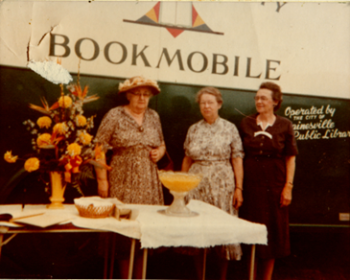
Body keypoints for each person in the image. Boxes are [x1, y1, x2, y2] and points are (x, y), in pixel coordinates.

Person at [94, 76, 166, 279]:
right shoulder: (115, 115)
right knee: (124, 233)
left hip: (149, 182)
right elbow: (99, 148)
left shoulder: (154, 116)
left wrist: (159, 152)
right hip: (122, 180)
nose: (142, 98)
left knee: (145, 232)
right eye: (137, 94)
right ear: (128, 95)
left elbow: (162, 143)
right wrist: (102, 180)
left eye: (146, 94)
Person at [181, 87, 244, 280]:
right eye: (203, 103)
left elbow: (237, 158)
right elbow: (187, 158)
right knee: (198, 231)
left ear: (219, 104)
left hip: (222, 186)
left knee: (222, 231)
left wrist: (239, 189)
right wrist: (181, 186)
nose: (206, 106)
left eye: (210, 102)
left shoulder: (229, 128)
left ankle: (221, 277)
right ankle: (201, 276)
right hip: (196, 186)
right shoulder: (194, 128)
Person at [239, 82, 298, 280]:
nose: (259, 101)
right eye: (257, 98)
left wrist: (288, 187)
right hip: (251, 186)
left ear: (275, 101)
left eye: (263, 98)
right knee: (250, 231)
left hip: (274, 185)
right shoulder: (246, 122)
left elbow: (291, 157)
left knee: (272, 234)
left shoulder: (285, 124)